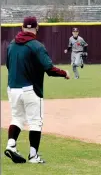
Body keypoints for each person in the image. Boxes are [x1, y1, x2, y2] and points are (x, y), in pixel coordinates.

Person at [5, 16, 70, 164]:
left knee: (17, 118)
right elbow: (49, 69)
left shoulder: (11, 45)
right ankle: (33, 156)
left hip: (13, 88)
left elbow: (9, 66)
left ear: (22, 28)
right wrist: (64, 73)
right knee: (35, 122)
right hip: (30, 89)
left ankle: (11, 145)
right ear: (36, 28)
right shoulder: (37, 46)